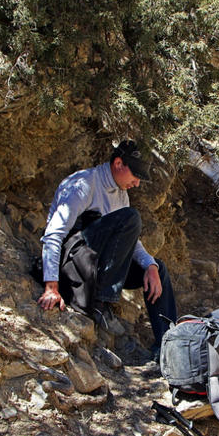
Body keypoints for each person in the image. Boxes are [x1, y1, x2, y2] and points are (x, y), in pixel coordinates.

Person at [37, 140, 177, 358]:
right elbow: (54, 235)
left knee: (158, 268)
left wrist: (150, 265)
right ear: (118, 163)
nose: (137, 183)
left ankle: (169, 344)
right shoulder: (83, 184)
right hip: (74, 264)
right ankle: (100, 304)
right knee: (131, 218)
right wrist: (51, 287)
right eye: (136, 175)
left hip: (97, 264)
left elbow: (131, 240)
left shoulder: (121, 194)